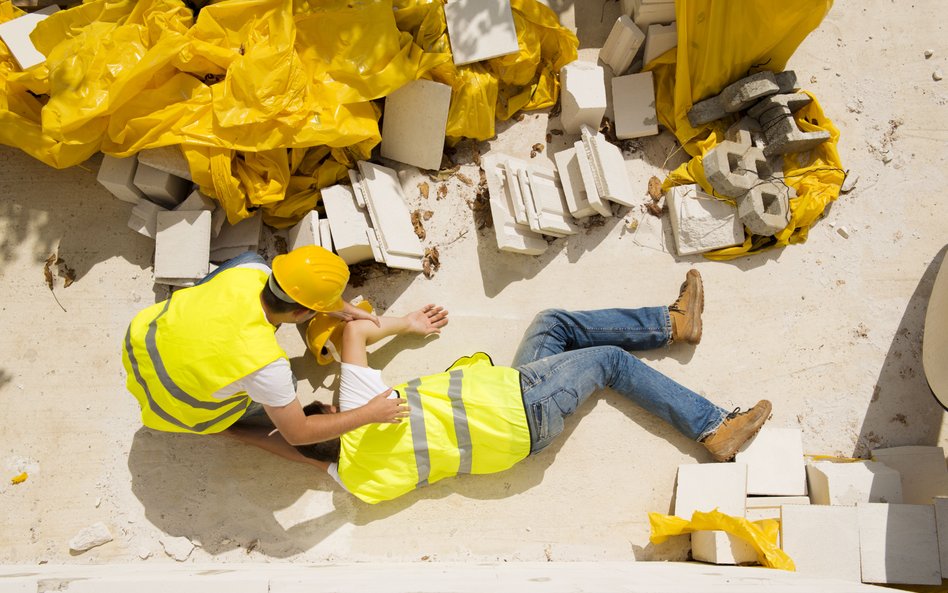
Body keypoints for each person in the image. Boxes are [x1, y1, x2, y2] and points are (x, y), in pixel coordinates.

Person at [295, 270, 772, 504]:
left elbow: (297, 446)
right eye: (321, 404)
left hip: (513, 425)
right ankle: (714, 427)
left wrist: (239, 434)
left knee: (552, 325)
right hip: (519, 405)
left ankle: (673, 323)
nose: (326, 398)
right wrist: (405, 322)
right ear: (329, 415)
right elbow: (355, 333)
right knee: (609, 362)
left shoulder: (355, 483)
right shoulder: (356, 407)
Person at [121, 245, 408, 463]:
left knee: (242, 266)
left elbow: (293, 291)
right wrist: (369, 413)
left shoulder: (250, 271)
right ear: (302, 313)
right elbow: (299, 433)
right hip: (176, 409)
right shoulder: (266, 365)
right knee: (288, 387)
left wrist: (341, 307)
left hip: (141, 348)